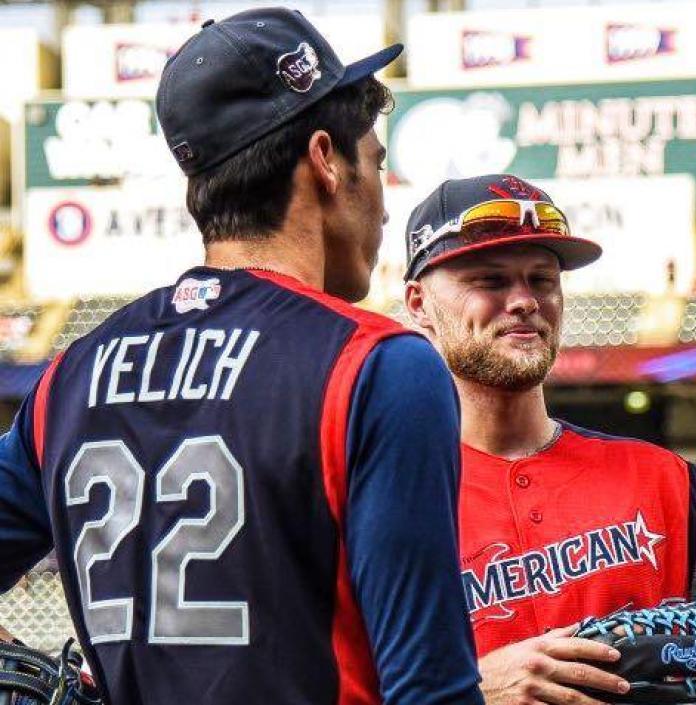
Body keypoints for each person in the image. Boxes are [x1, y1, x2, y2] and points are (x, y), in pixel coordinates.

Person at [0, 8, 482, 704]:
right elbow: (431, 692)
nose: (383, 205)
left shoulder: (70, 377)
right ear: (325, 160)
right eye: (377, 163)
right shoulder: (380, 364)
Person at [400, 174, 696, 705]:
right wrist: (473, 692)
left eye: (542, 279)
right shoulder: (384, 502)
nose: (524, 300)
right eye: (490, 280)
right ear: (419, 303)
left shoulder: (662, 480)